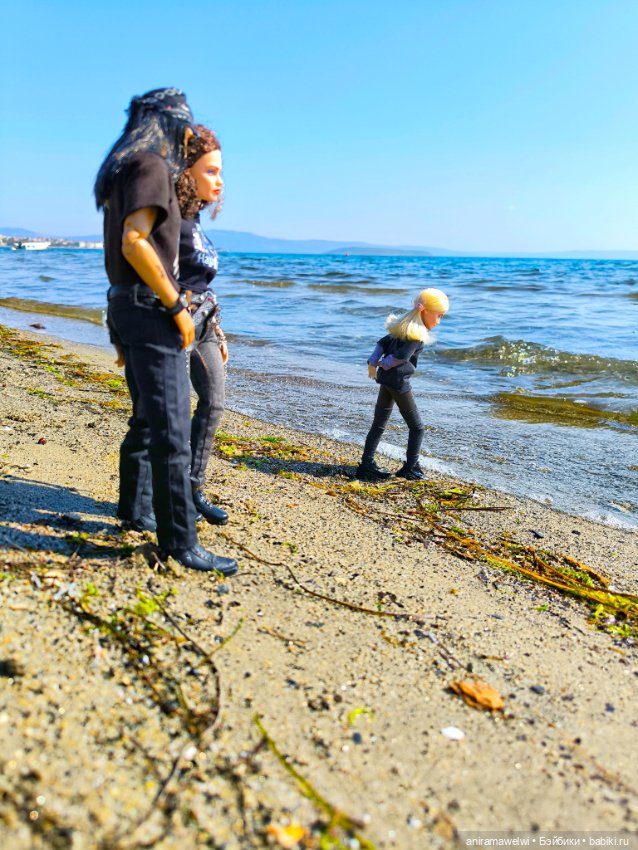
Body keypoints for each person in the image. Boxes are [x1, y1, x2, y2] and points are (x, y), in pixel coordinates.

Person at [94, 88, 238, 576]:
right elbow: (135, 241)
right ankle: (181, 543)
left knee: (148, 421)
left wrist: (119, 325)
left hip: (127, 305)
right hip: (150, 308)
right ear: (171, 125)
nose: (185, 140)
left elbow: (117, 251)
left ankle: (134, 509)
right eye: (185, 130)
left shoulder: (126, 167)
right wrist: (176, 305)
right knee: (173, 431)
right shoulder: (151, 164)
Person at [175, 125, 229, 526]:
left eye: (220, 171)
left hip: (206, 324)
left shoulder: (195, 219)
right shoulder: (169, 216)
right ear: (186, 170)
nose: (220, 180)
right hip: (174, 324)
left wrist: (220, 330)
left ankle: (194, 488)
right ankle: (148, 496)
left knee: (214, 402)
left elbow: (202, 283)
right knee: (164, 413)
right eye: (211, 170)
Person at [356, 288, 449, 482]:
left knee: (379, 423)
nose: (438, 321)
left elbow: (381, 343)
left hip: (386, 380)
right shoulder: (416, 335)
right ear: (425, 311)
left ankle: (366, 464)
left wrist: (374, 361)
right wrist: (382, 363)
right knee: (417, 427)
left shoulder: (401, 328)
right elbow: (401, 357)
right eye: (439, 316)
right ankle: (411, 467)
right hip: (399, 383)